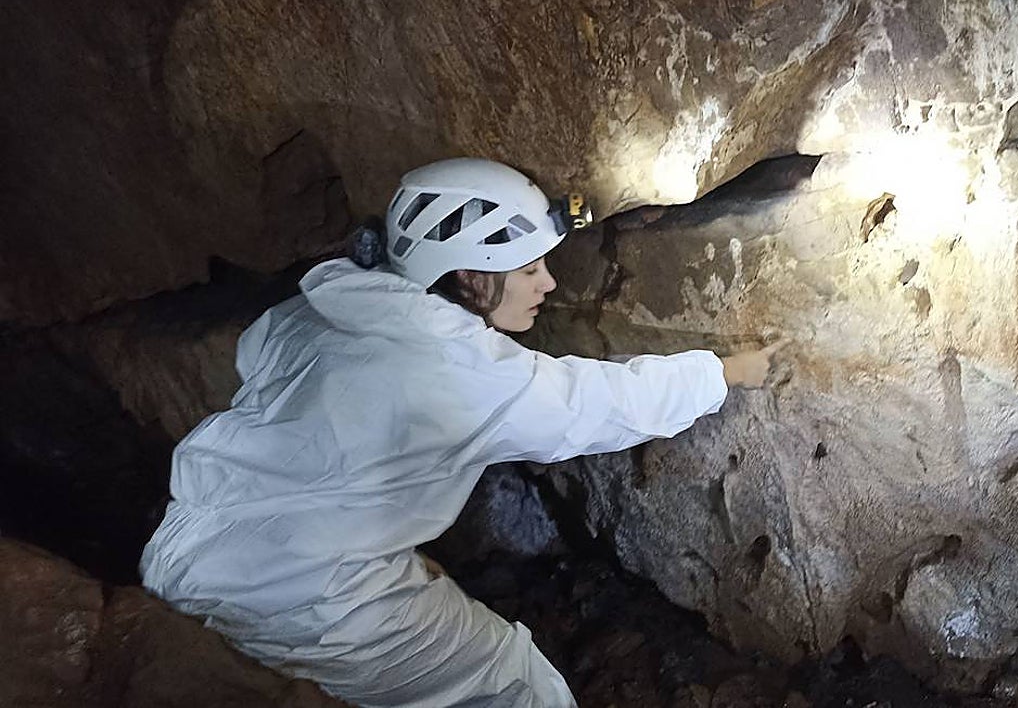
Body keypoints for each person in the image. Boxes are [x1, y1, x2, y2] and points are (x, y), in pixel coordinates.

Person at [140, 158, 783, 708]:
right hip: (310, 595)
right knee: (519, 686)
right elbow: (597, 405)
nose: (549, 283)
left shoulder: (320, 309)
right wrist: (724, 372)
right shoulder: (460, 369)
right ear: (470, 274)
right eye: (528, 268)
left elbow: (261, 363)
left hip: (185, 555)